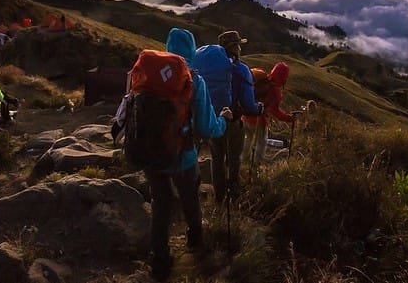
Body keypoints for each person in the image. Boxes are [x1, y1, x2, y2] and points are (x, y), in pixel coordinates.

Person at [114, 28, 231, 282]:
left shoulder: (145, 76)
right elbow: (206, 127)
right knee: (190, 199)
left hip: (149, 153)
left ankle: (159, 259)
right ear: (191, 50)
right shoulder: (193, 80)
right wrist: (223, 120)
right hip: (183, 156)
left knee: (161, 203)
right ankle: (195, 243)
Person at [210, 30, 262, 203]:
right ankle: (233, 196)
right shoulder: (240, 69)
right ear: (235, 48)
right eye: (238, 45)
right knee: (233, 159)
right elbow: (248, 104)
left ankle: (218, 197)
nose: (240, 48)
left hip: (213, 120)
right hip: (232, 122)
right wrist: (258, 109)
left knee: (217, 159)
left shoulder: (212, 68)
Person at [242, 61, 300, 164]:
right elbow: (275, 112)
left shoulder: (261, 80)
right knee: (261, 142)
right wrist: (289, 118)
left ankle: (243, 159)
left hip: (246, 115)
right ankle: (257, 163)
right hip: (259, 120)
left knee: (248, 138)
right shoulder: (275, 91)